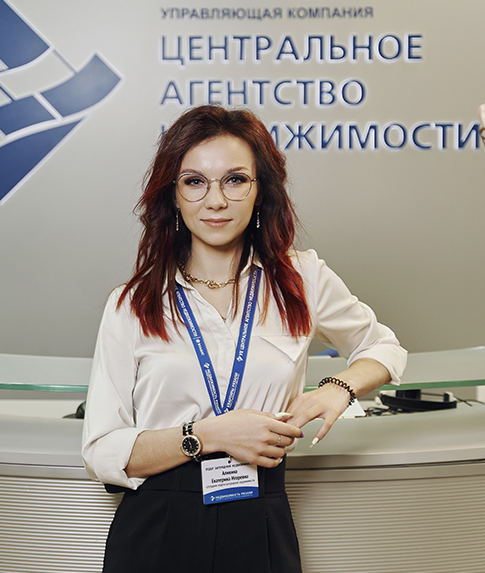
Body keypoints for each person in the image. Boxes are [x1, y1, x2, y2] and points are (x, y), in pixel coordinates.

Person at [82, 105, 407, 573]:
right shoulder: (132, 303)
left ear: (260, 191)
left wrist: (337, 388)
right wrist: (209, 435)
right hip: (157, 524)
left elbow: (384, 347)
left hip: (260, 516)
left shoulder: (302, 278)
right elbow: (102, 452)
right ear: (173, 196)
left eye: (235, 180)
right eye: (194, 182)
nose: (215, 200)